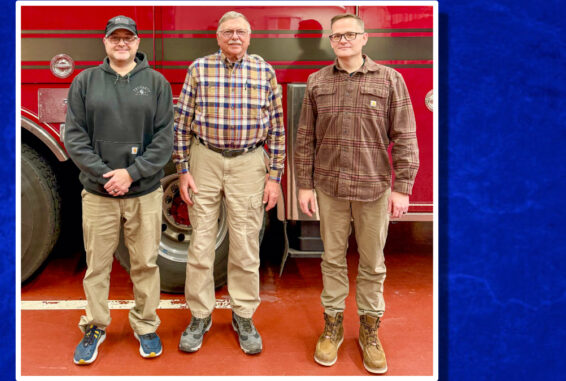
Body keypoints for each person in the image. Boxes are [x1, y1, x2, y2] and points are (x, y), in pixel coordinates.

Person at [294, 14, 419, 373]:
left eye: (350, 34)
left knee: (372, 264)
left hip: (373, 189)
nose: (344, 40)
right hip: (329, 188)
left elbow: (406, 137)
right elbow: (305, 138)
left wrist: (402, 188)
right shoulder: (317, 82)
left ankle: (369, 331)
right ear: (331, 42)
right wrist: (305, 183)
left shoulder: (390, 80)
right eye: (337, 36)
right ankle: (332, 327)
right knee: (332, 260)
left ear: (364, 38)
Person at [173, 11, 285, 355]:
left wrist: (274, 177)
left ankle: (243, 314)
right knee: (201, 243)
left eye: (241, 31)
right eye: (227, 32)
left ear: (250, 38)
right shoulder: (199, 69)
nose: (234, 36)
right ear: (218, 37)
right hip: (204, 159)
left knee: (246, 244)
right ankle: (200, 315)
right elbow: (182, 122)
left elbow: (278, 128)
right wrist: (183, 169)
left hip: (250, 163)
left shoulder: (265, 71)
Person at [64, 15, 174, 364]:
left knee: (145, 263)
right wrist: (105, 175)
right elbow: (75, 137)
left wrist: (131, 174)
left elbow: (163, 140)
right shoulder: (85, 82)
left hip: (144, 194)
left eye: (128, 38)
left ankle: (145, 324)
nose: (122, 43)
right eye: (115, 38)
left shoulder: (157, 83)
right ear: (105, 42)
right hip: (99, 194)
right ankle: (95, 325)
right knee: (97, 265)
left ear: (138, 43)